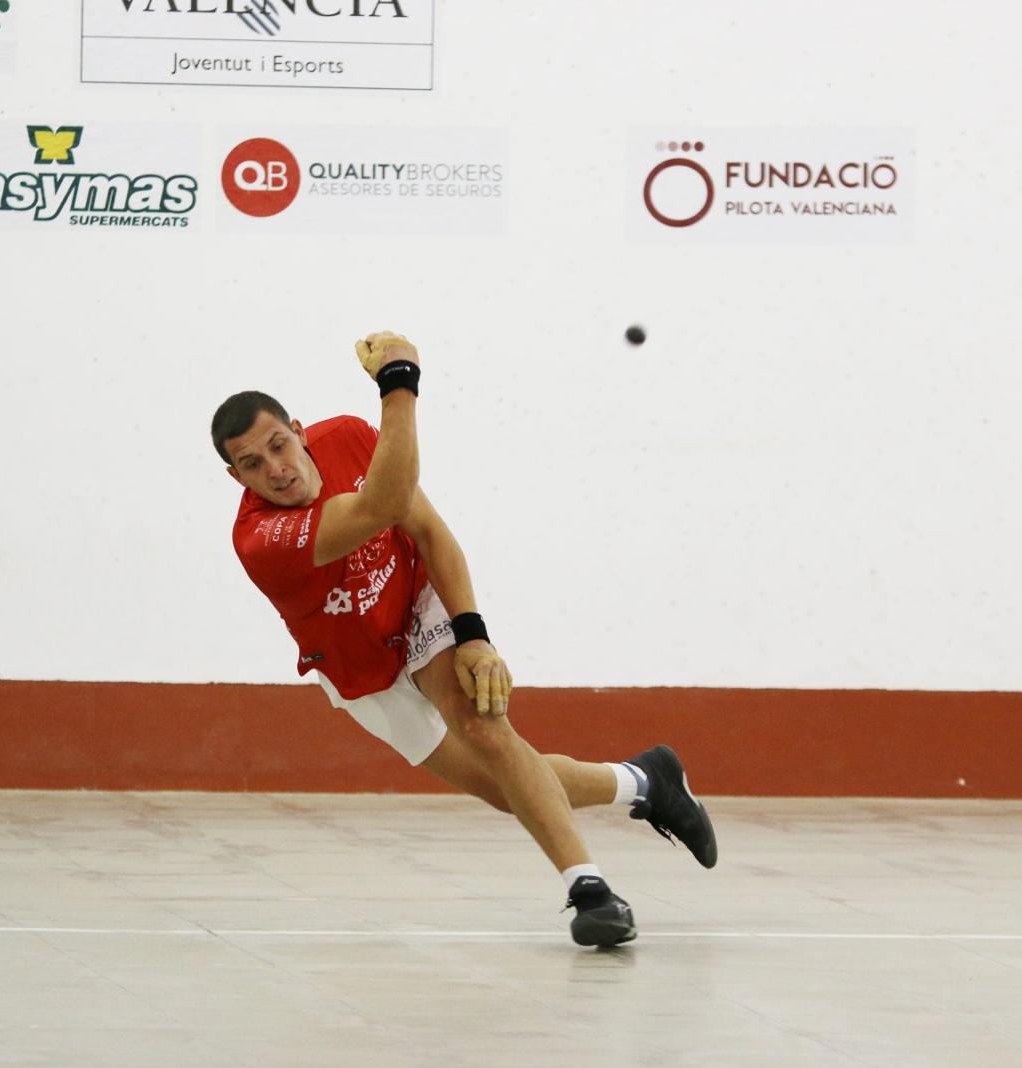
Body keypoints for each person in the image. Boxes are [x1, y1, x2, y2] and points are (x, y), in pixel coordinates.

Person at [211, 331, 716, 947]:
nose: (277, 469)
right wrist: (399, 381)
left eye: (279, 445)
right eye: (253, 464)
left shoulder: (346, 435)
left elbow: (426, 529)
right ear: (235, 476)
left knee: (488, 731)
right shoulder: (262, 539)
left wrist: (473, 633)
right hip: (360, 669)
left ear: (298, 429)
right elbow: (382, 504)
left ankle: (591, 892)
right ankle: (646, 782)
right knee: (506, 790)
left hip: (416, 599)